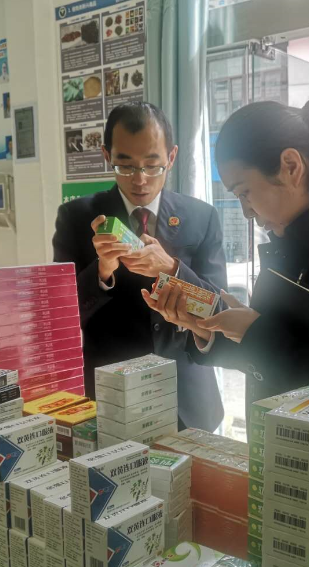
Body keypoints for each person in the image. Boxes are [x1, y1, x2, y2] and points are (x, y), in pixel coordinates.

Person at [145, 98, 309, 405]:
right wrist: (207, 329)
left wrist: (253, 332)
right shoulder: (293, 238)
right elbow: (274, 347)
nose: (246, 212)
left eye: (244, 192)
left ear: (291, 166)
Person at [53, 102, 227, 431]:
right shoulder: (76, 218)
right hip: (111, 399)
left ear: (171, 157)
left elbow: (219, 311)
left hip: (188, 400)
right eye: (125, 165)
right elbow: (61, 316)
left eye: (152, 165)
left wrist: (173, 269)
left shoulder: (201, 217)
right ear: (107, 155)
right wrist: (102, 272)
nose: (140, 179)